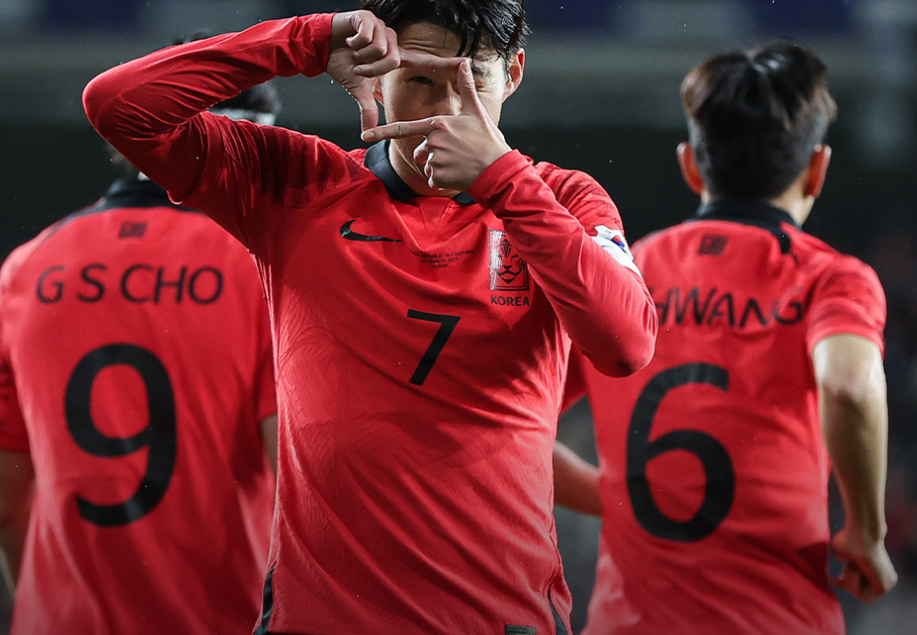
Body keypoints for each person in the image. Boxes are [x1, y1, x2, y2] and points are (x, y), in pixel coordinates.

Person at [82, 1, 657, 633]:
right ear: (378, 75)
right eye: (421, 79)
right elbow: (117, 105)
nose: (447, 110)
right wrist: (305, 40)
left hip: (500, 619)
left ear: (514, 74)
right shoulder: (297, 184)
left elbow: (627, 344)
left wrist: (505, 182)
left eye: (473, 80)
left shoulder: (563, 198)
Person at [570, 41, 898, 635]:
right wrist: (866, 531)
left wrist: (621, 494)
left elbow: (518, 419)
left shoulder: (625, 275)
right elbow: (849, 386)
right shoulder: (830, 277)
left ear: (690, 166)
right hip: (774, 621)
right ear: (817, 169)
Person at [0, 78, 281, 635]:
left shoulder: (26, 267)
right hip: (225, 618)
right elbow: (298, 486)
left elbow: (7, 504)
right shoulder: (261, 270)